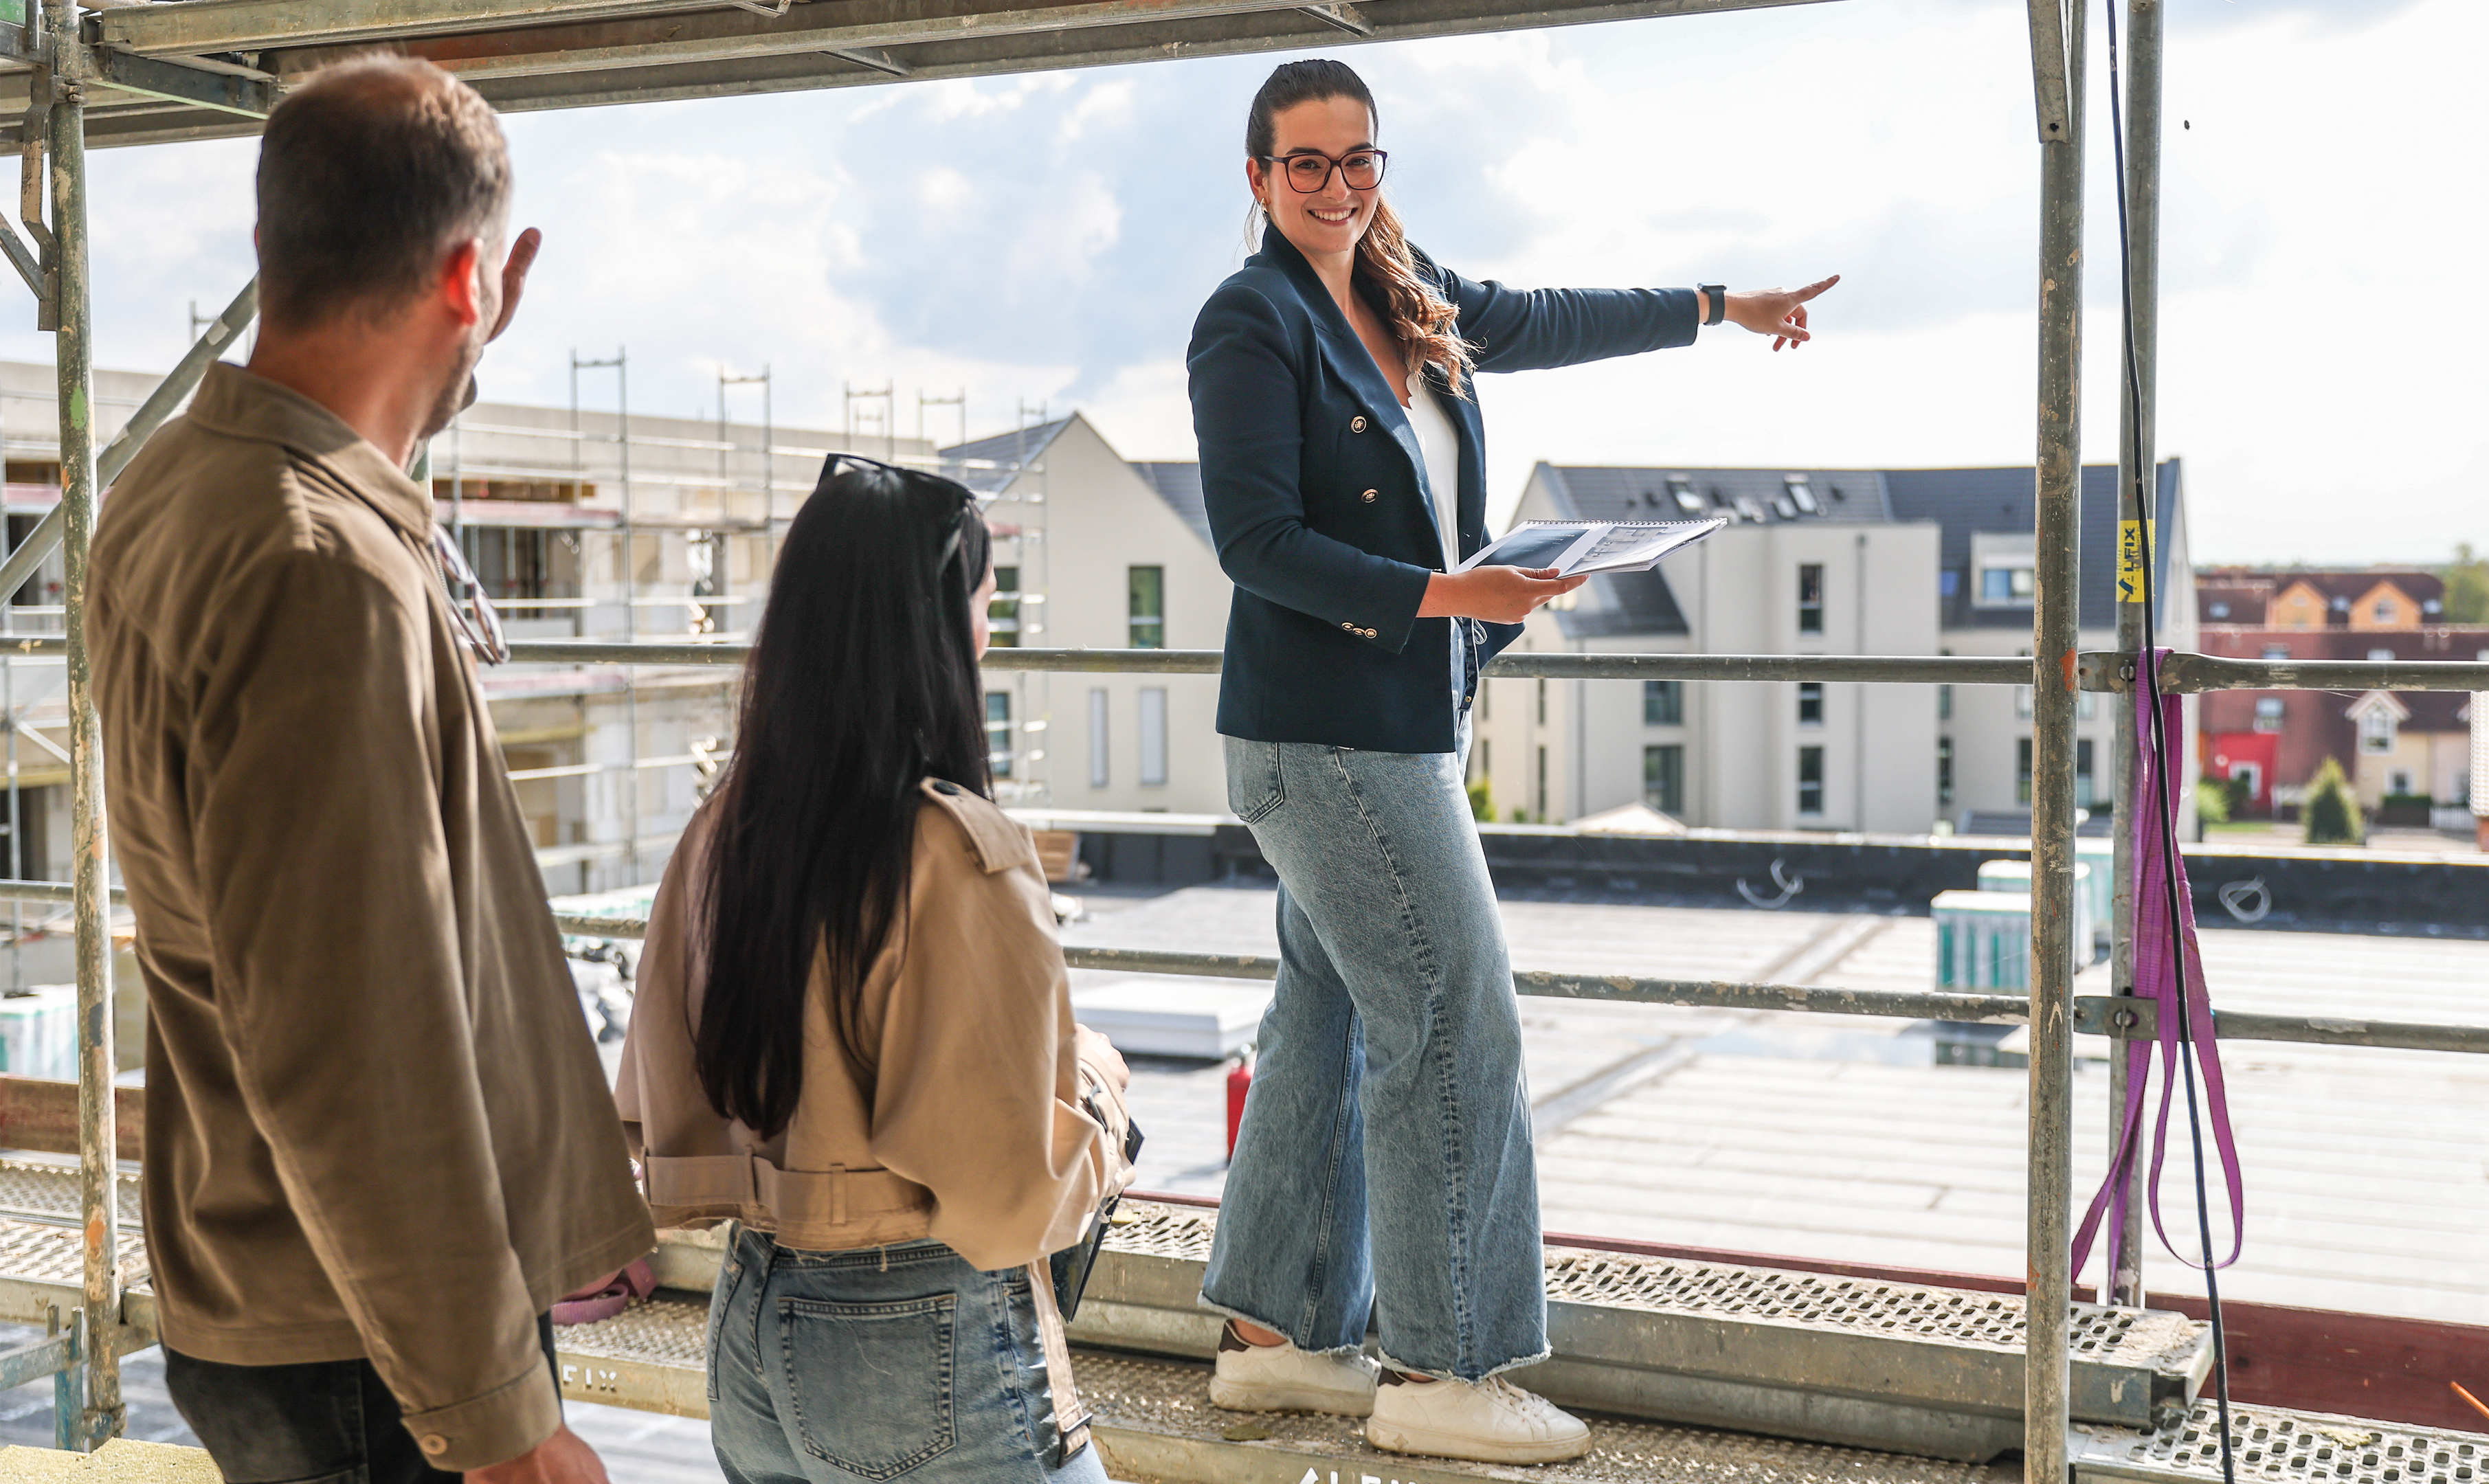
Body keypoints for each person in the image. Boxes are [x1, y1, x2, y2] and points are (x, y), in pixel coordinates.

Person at [1189, 57, 1839, 1466]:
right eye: (1306, 164)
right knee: (1453, 1014)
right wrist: (1449, 596)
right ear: (1259, 177)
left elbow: (1549, 317)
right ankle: (1444, 1369)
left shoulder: (1404, 290)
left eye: (1360, 158)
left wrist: (1723, 308)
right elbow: (1254, 543)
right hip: (1328, 736)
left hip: (1397, 721)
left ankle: (1278, 1340)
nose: (1338, 187)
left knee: (1329, 1018)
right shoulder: (1251, 319)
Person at [91, 56, 654, 1483]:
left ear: (272, 242)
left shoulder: (175, 487)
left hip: (301, 1310)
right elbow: (354, 1042)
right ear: (472, 279)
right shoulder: (316, 563)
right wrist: (497, 1416)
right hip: (368, 1355)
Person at [615, 456, 1138, 1484]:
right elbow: (1008, 1195)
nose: (989, 632)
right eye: (986, 603)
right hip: (918, 1338)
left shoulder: (723, 827)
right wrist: (1098, 1090)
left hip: (750, 1323)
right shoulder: (956, 852)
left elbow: (653, 1102)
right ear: (936, 624)